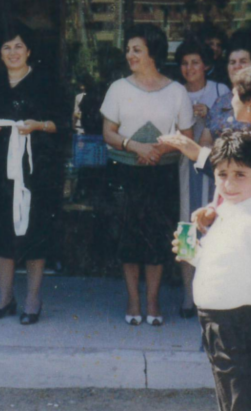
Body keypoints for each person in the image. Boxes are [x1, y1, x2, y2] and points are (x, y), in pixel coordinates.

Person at [162, 63, 251, 370]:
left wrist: (196, 153)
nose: (232, 104)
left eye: (236, 97)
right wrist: (216, 211)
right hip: (245, 259)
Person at [176, 130, 251, 411]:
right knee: (229, 398)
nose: (228, 184)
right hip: (217, 325)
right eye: (222, 174)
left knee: (250, 400)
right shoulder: (226, 214)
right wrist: (189, 240)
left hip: (245, 326)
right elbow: (211, 262)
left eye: (240, 174)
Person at [100, 24, 194, 326]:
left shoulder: (177, 91)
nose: (130, 55)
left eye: (136, 49)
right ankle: (133, 299)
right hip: (125, 173)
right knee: (128, 239)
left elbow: (187, 136)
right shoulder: (118, 88)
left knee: (157, 239)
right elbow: (108, 133)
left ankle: (152, 301)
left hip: (161, 174)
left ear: (153, 52)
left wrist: (159, 149)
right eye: (128, 49)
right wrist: (135, 145)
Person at [0, 22, 61, 325]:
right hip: (1, 171)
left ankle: (32, 300)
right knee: (4, 233)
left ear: (29, 51)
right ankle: (4, 298)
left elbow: (59, 122)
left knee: (35, 234)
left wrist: (37, 125)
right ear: (0, 53)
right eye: (6, 47)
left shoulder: (45, 82)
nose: (12, 52)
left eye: (18, 46)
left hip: (36, 170)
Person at [175, 39, 230, 318]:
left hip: (217, 167)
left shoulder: (221, 90)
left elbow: (231, 126)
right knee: (187, 225)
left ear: (206, 65)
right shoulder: (175, 92)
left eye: (195, 62)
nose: (189, 68)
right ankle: (188, 295)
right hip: (186, 167)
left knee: (215, 225)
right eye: (184, 63)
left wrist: (209, 117)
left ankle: (211, 292)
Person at [205, 31, 251, 141]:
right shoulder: (220, 102)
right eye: (232, 62)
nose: (237, 66)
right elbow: (205, 141)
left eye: (243, 61)